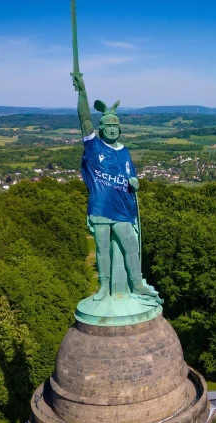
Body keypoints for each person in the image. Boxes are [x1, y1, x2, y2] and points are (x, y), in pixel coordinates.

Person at [72, 73, 158, 300]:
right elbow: (84, 119)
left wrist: (135, 182)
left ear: (119, 129)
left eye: (115, 126)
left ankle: (137, 284)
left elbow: (130, 175)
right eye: (107, 126)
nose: (111, 129)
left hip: (122, 209)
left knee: (131, 246)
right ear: (101, 128)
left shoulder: (125, 151)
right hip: (101, 208)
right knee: (102, 249)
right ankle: (103, 287)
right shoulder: (94, 147)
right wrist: (82, 92)